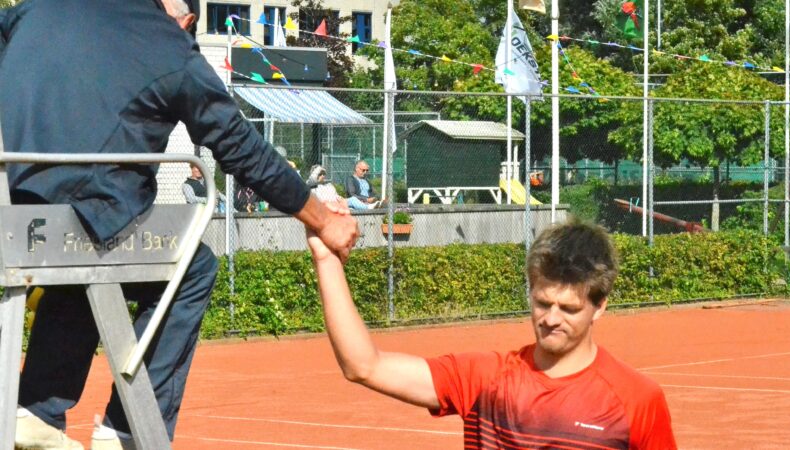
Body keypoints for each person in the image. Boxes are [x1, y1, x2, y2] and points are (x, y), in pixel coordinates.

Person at [0, 1, 359, 449]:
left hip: (16, 212)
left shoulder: (41, 9)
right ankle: (126, 429)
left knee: (86, 258)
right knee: (191, 264)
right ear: (185, 18)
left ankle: (35, 410)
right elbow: (239, 147)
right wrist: (324, 220)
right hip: (87, 219)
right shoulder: (167, 44)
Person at [307, 220, 677, 449]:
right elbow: (363, 365)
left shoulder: (637, 400)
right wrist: (326, 260)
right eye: (542, 302)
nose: (550, 319)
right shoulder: (485, 379)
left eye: (569, 309)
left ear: (600, 306)